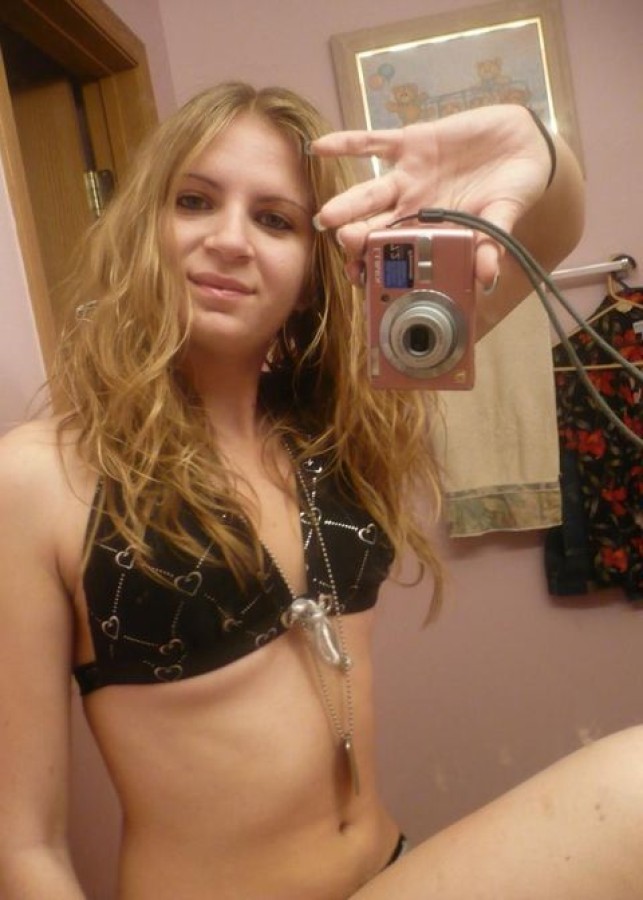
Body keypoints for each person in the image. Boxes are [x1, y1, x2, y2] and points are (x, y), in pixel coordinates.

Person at [0, 80, 641, 900]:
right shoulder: (41, 477)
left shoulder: (347, 420)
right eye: (194, 201)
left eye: (275, 220)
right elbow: (24, 843)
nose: (229, 240)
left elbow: (547, 232)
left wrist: (529, 143)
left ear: (314, 268)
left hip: (387, 867)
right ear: (141, 229)